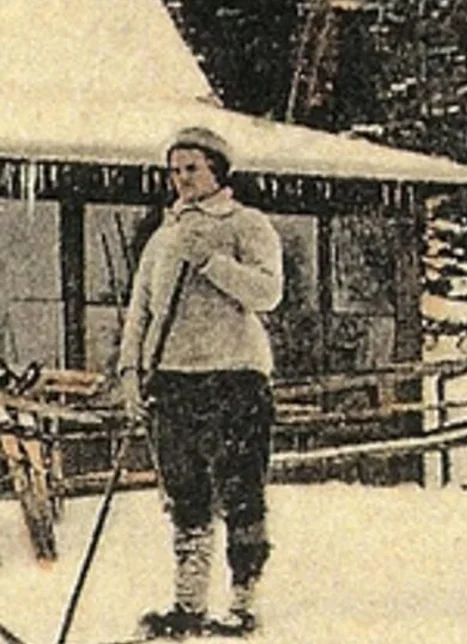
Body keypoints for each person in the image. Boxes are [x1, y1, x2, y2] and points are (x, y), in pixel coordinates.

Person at [119, 127, 284, 637]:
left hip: (234, 378)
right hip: (171, 381)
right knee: (185, 495)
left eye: (192, 167)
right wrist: (130, 372)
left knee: (240, 492)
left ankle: (241, 604)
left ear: (217, 168)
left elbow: (268, 292)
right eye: (174, 169)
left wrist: (211, 262)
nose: (182, 179)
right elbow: (141, 310)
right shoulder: (163, 237)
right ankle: (188, 604)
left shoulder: (246, 224)